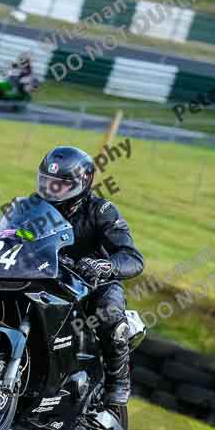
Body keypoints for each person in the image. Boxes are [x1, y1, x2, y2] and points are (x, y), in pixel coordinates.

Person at [37, 145, 144, 406]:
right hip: (49, 278)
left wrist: (104, 266)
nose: (53, 190)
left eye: (60, 184)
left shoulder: (101, 210)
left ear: (82, 183)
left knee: (109, 314)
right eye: (47, 182)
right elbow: (14, 234)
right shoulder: (35, 209)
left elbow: (132, 257)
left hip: (94, 283)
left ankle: (118, 382)